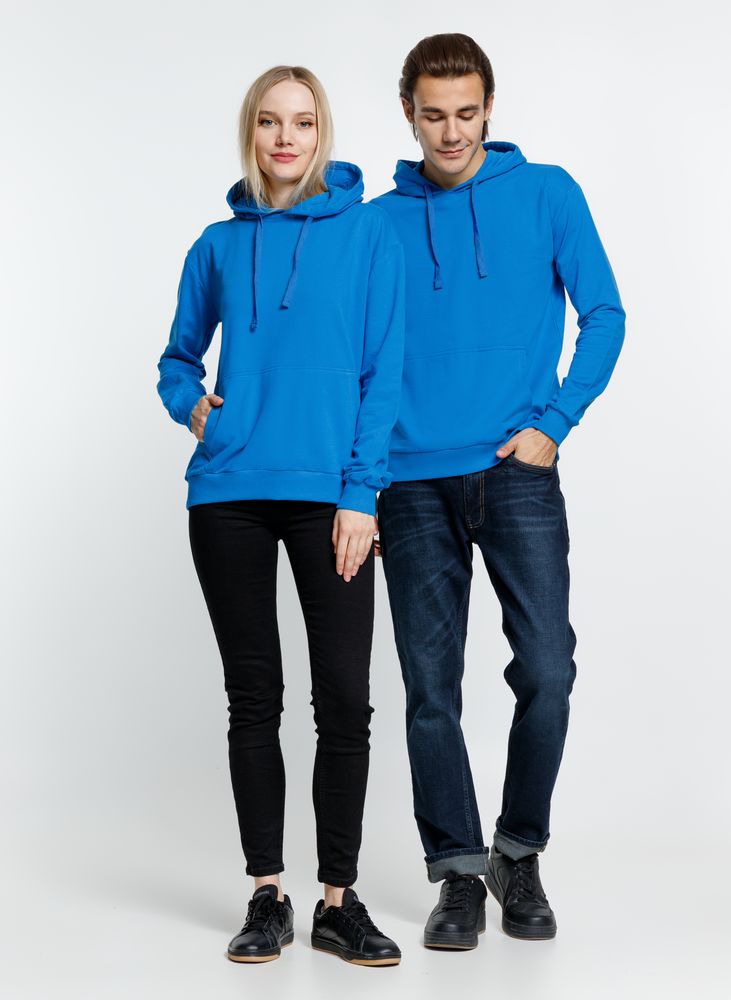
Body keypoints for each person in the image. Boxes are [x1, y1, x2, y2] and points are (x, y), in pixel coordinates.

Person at [371, 33, 626, 948]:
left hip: (517, 470)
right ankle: (456, 872)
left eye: (467, 113)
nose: (452, 132)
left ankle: (518, 853)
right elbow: (343, 349)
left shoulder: (547, 193)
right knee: (429, 689)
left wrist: (554, 423)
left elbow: (605, 314)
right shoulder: (377, 222)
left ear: (489, 108)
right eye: (434, 115)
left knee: (548, 670)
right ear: (408, 112)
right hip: (408, 480)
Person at [156, 65, 405, 967]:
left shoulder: (370, 233)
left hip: (330, 498)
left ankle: (339, 901)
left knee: (344, 699)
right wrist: (192, 406)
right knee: (253, 697)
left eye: (302, 122)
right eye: (270, 122)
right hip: (228, 494)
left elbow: (383, 370)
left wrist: (360, 493)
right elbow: (176, 359)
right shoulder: (218, 246)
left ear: (321, 131)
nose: (286, 138)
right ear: (252, 134)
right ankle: (268, 894)